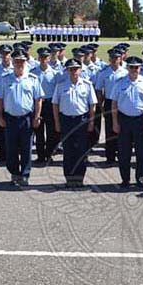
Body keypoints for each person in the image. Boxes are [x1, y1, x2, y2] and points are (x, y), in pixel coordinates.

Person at [0, 49, 43, 187]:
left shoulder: (32, 79)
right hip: (10, 118)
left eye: (22, 61)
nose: (19, 64)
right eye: (16, 61)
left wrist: (37, 117)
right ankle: (14, 174)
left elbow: (38, 99)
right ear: (12, 62)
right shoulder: (5, 79)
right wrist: (0, 117)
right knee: (11, 148)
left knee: (26, 148)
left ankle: (25, 174)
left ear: (25, 62)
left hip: (26, 118)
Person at [111, 56, 143, 189]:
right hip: (124, 119)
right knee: (123, 152)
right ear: (127, 68)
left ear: (140, 68)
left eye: (136, 67)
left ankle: (140, 179)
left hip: (141, 120)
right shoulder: (119, 83)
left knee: (141, 152)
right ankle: (125, 180)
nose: (134, 70)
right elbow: (113, 103)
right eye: (131, 67)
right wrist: (115, 122)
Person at [52, 58, 97, 188]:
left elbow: (92, 105)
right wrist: (57, 122)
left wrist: (91, 122)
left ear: (80, 70)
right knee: (68, 151)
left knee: (81, 151)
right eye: (71, 69)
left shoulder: (87, 85)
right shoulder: (61, 85)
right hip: (66, 120)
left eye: (76, 69)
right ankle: (69, 178)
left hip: (81, 120)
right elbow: (55, 104)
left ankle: (79, 178)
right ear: (67, 71)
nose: (73, 72)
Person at [31, 47, 59, 165]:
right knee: (39, 132)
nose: (43, 59)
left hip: (49, 104)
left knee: (51, 132)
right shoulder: (32, 72)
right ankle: (40, 155)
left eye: (45, 57)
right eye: (41, 57)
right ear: (38, 58)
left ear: (48, 58)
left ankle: (49, 155)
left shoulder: (55, 74)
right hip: (37, 103)